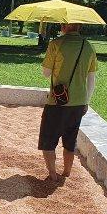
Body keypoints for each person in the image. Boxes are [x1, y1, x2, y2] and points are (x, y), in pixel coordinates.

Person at [38, 22, 98, 181]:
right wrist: (87, 101)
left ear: (64, 26)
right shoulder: (88, 47)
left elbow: (46, 73)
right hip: (79, 102)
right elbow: (91, 79)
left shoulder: (56, 44)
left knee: (48, 139)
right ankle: (66, 172)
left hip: (57, 102)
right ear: (80, 27)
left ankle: (52, 174)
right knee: (70, 140)